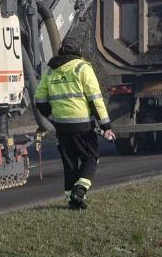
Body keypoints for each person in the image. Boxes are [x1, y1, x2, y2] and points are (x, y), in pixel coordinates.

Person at [34, 36, 115, 210]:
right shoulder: (82, 68)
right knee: (90, 158)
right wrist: (105, 125)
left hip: (62, 127)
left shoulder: (50, 71)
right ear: (78, 51)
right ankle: (79, 191)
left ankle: (72, 201)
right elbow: (95, 99)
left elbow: (39, 100)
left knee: (69, 164)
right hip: (83, 126)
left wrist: (52, 119)